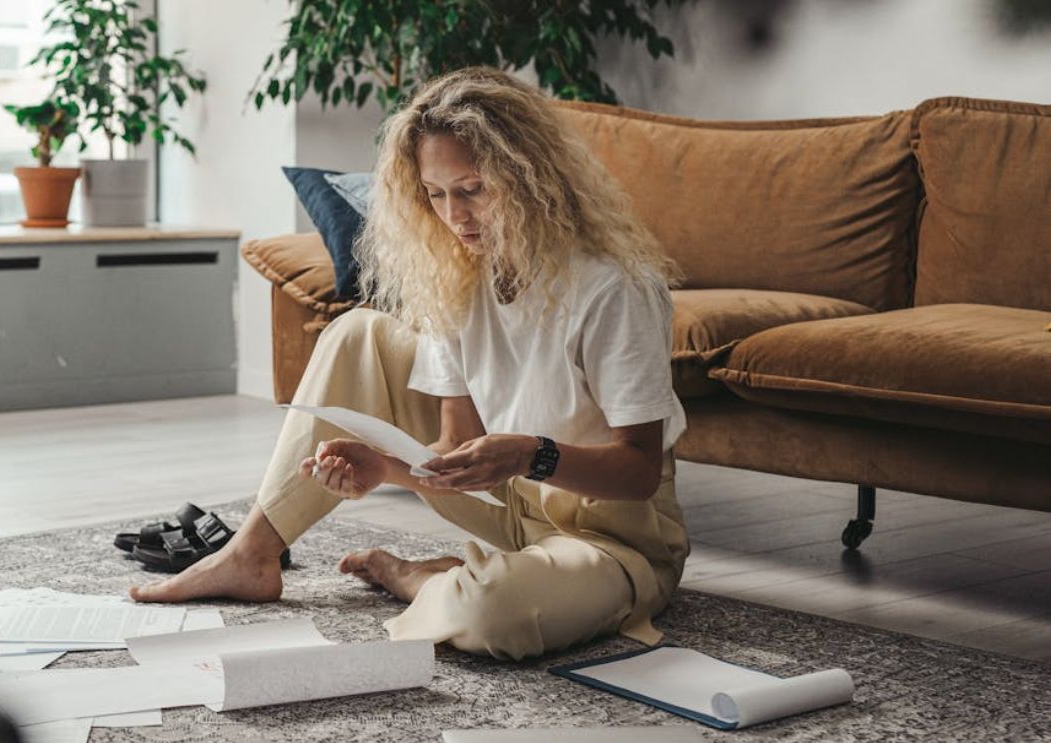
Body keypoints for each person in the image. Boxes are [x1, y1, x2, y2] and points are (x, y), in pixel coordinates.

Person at [130, 67, 690, 662]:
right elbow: (454, 450)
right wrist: (380, 469)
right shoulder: (459, 279)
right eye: (436, 193)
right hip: (510, 505)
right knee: (358, 333)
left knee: (493, 615)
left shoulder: (614, 288)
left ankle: (421, 580)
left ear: (529, 177)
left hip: (614, 538)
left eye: (473, 188)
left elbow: (639, 473)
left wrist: (532, 453)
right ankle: (252, 552)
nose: (456, 215)